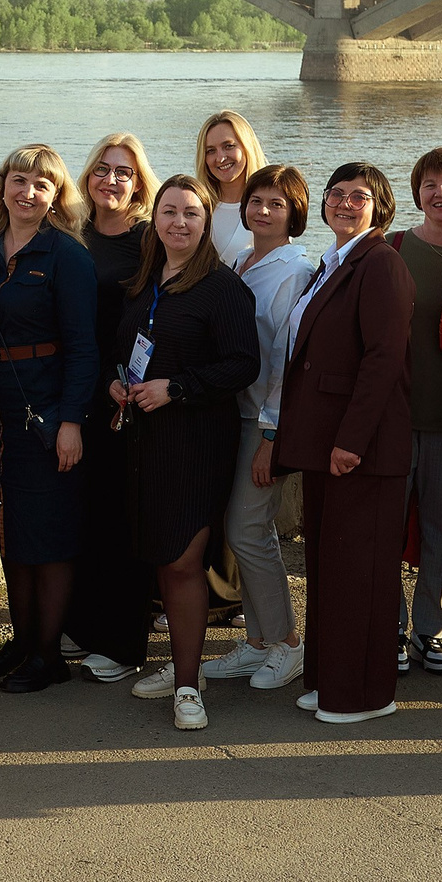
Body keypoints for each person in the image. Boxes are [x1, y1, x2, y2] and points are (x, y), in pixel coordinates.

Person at [113, 176, 261, 729]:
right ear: (154, 218)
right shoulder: (143, 281)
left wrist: (175, 388)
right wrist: (115, 382)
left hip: (196, 442)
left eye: (191, 214)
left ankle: (187, 689)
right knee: (159, 554)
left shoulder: (222, 289)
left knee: (182, 559)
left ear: (206, 223)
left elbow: (244, 364)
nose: (179, 222)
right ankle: (187, 666)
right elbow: (121, 349)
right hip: (143, 440)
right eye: (169, 211)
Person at [0, 144, 100, 692]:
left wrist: (71, 422)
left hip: (44, 410)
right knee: (8, 530)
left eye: (42, 184)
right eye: (20, 180)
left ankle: (48, 655)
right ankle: (22, 641)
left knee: (49, 535)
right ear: (3, 186)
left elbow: (83, 348)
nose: (28, 192)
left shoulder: (68, 255)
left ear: (56, 196)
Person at [280, 164, 415, 725]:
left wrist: (351, 442)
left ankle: (363, 693)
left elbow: (383, 360)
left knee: (361, 573)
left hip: (362, 448)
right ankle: (329, 679)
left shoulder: (381, 263)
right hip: (325, 442)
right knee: (330, 567)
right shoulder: (334, 261)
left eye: (358, 196)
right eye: (335, 194)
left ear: (379, 206)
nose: (343, 203)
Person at [200, 163, 314, 692]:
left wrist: (272, 435)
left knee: (251, 529)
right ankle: (259, 642)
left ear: (295, 213)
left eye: (277, 203)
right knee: (239, 530)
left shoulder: (294, 269)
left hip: (261, 419)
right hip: (229, 411)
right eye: (256, 201)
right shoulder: (244, 259)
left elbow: (287, 360)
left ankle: (288, 644)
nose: (263, 211)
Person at [68, 132, 157, 682]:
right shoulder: (72, 237)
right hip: (81, 388)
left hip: (130, 395)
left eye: (124, 172)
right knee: (86, 512)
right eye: (102, 169)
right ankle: (82, 623)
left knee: (126, 518)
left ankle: (125, 644)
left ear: (139, 182)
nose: (112, 180)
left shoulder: (150, 239)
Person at [388, 147, 442, 674]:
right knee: (387, 528)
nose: (441, 193)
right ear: (417, 192)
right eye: (430, 184)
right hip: (396, 415)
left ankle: (430, 632)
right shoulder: (393, 248)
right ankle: (391, 628)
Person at [196, 110, 265, 266]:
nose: (220, 158)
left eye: (228, 146)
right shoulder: (195, 206)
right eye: (211, 151)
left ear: (247, 147)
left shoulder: (269, 208)